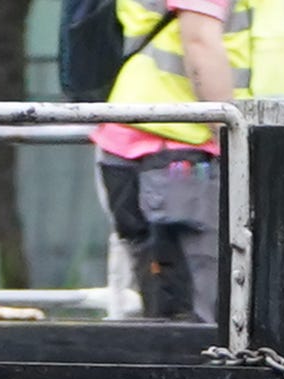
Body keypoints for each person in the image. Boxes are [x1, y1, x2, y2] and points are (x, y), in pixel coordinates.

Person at [94, 0, 234, 321]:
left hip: (140, 137)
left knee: (166, 302)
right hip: (179, 143)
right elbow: (199, 41)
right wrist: (234, 134)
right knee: (194, 314)